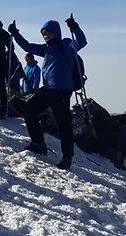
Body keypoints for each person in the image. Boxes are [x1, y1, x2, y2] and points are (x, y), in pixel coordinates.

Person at [8, 16, 87, 170]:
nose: (46, 36)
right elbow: (28, 46)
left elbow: (82, 41)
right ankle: (38, 143)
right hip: (48, 89)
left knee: (63, 124)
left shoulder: (67, 44)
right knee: (29, 109)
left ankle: (67, 157)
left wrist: (75, 27)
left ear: (55, 32)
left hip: (62, 91)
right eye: (43, 34)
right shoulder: (46, 48)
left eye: (48, 33)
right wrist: (15, 33)